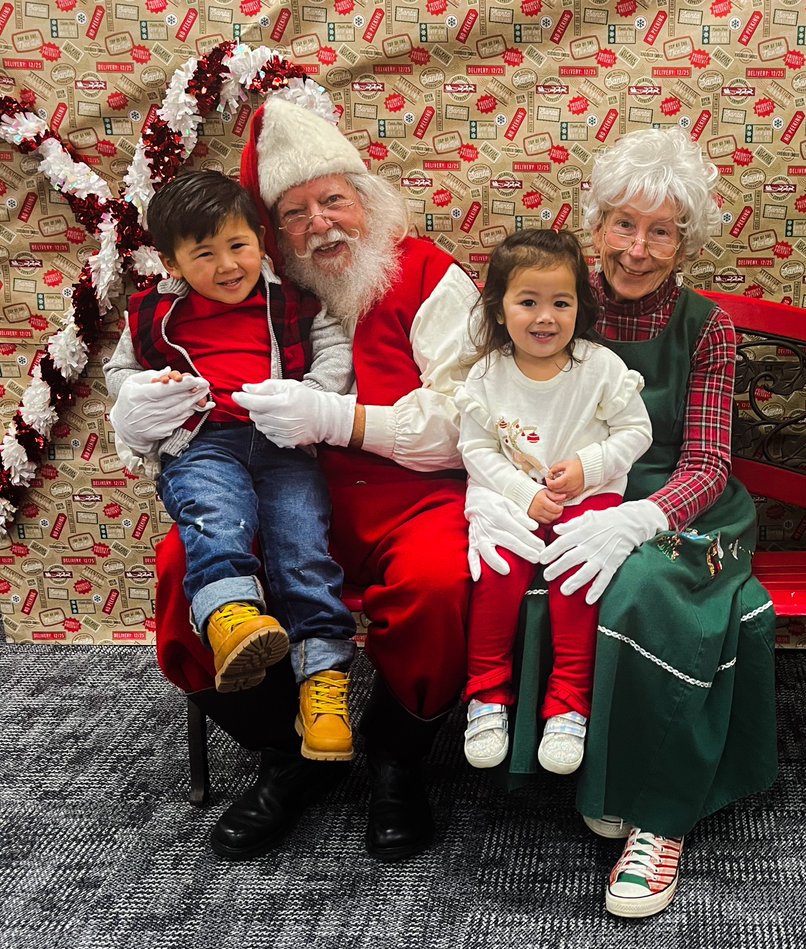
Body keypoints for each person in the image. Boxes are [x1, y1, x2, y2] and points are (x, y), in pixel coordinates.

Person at [105, 96, 479, 861]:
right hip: (281, 497)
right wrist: (135, 421)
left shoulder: (437, 279)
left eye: (333, 199)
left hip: (415, 500)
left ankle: (396, 754)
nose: (321, 225)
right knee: (183, 572)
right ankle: (288, 753)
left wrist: (339, 420)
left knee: (441, 582)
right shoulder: (248, 292)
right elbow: (167, 396)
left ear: (367, 198)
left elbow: (469, 423)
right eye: (297, 211)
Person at [467, 127, 778, 918]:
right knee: (518, 568)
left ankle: (658, 818)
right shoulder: (558, 300)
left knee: (642, 584)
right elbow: (490, 405)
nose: (637, 249)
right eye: (623, 224)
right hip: (571, 495)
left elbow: (708, 464)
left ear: (685, 241)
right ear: (595, 224)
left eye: (661, 230)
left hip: (684, 503)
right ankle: (573, 754)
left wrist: (640, 517)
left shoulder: (709, 327)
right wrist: (490, 496)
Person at [104, 170, 359, 762]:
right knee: (215, 517)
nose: (227, 266)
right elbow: (120, 379)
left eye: (239, 246)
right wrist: (143, 390)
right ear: (171, 262)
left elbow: (334, 350)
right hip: (204, 442)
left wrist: (314, 398)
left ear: (261, 243)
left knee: (305, 546)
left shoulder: (291, 300)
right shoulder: (151, 314)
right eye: (205, 254)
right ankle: (230, 618)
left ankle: (323, 682)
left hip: (281, 443)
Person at [456, 229, 652, 777]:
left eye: (560, 303)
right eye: (528, 302)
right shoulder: (487, 377)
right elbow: (474, 449)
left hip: (588, 501)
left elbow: (636, 431)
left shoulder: (600, 368)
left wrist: (589, 466)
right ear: (498, 309)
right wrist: (523, 494)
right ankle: (487, 696)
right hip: (512, 503)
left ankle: (568, 705)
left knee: (577, 579)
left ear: (579, 307)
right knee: (496, 575)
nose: (545, 317)